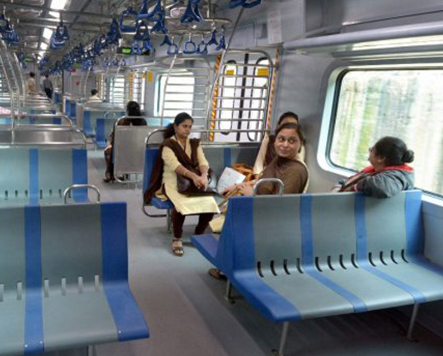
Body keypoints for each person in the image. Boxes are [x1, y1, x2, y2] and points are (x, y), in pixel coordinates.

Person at [208, 123, 309, 280]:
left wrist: (251, 196)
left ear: (300, 144)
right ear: (275, 141)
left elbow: (279, 207)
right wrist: (239, 185)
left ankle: (233, 270)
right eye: (281, 139)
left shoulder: (296, 170)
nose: (285, 145)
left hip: (271, 222)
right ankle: (229, 267)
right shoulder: (279, 160)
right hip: (258, 211)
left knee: (233, 225)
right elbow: (264, 181)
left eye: (291, 141)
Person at [144, 113, 219, 256]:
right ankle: (177, 238)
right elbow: (175, 166)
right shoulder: (168, 145)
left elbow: (203, 162)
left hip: (192, 179)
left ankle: (198, 234)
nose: (187, 130)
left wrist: (203, 176)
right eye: (184, 126)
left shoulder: (194, 144)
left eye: (190, 127)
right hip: (172, 180)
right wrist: (194, 177)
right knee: (180, 204)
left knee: (210, 203)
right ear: (175, 126)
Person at [334, 136, 414, 198]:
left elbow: (382, 188)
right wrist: (338, 188)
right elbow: (350, 181)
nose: (369, 151)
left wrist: (353, 188)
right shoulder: (374, 171)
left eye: (372, 149)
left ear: (381, 158)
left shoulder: (397, 177)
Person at [104, 101, 146, 182]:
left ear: (128, 110)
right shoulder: (143, 122)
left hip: (123, 151)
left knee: (107, 151)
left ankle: (111, 174)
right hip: (139, 151)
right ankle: (124, 173)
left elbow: (115, 139)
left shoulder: (122, 121)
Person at [252, 111, 305, 176]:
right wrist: (258, 180)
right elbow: (258, 166)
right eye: (286, 125)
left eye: (292, 126)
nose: (289, 129)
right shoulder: (268, 140)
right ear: (278, 126)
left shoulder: (298, 146)